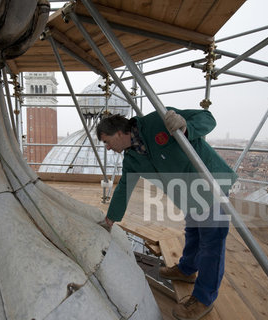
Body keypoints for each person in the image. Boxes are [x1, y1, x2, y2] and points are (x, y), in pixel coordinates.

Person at [96, 107, 237, 320]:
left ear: (118, 132)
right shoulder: (132, 157)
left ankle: (203, 298)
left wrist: (187, 126)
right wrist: (110, 220)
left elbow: (207, 118)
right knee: (194, 231)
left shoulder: (158, 120)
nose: (107, 148)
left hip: (210, 184)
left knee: (212, 243)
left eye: (107, 141)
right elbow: (124, 187)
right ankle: (187, 269)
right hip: (189, 195)